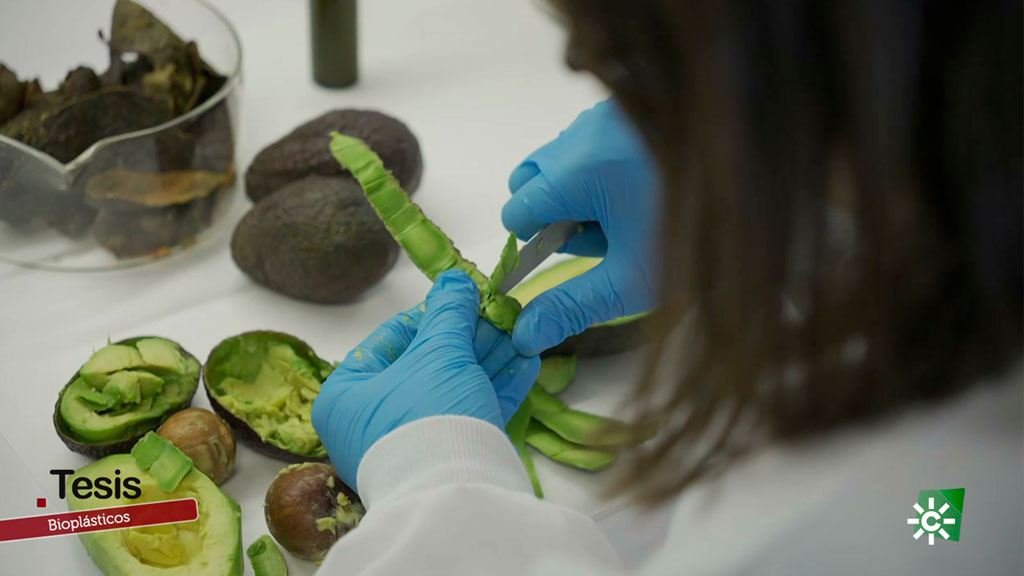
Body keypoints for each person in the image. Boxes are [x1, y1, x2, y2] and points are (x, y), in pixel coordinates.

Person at [314, 1, 1022, 574]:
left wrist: (438, 484)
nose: (574, 58)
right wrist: (776, 183)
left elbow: (920, 526)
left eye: (623, 48)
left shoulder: (905, 517)